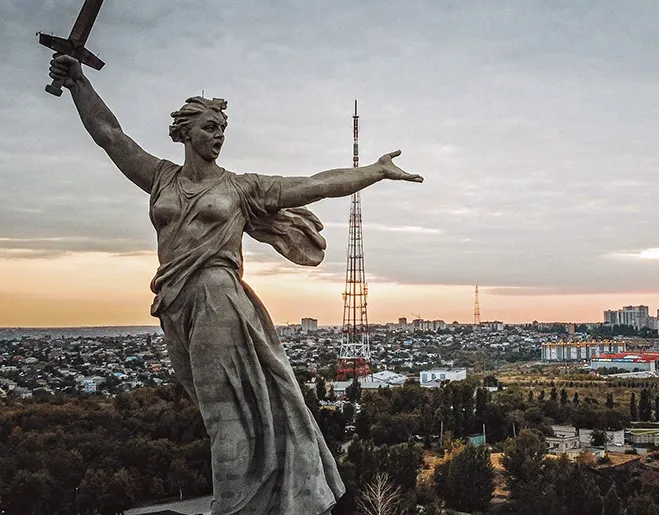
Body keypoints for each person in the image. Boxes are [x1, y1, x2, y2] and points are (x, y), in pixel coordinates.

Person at [48, 54, 423, 515]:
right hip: (172, 303)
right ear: (186, 131)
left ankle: (234, 506)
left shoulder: (240, 188)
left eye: (222, 130)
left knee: (225, 414)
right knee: (215, 411)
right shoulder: (160, 177)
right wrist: (78, 83)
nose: (218, 137)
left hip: (217, 297)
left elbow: (316, 185)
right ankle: (253, 497)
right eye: (210, 128)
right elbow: (111, 137)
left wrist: (375, 171)